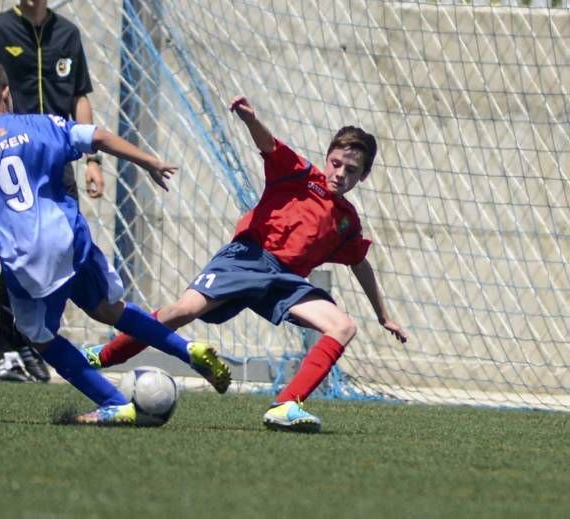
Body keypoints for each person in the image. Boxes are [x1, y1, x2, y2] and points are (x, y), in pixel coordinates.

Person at [0, 59, 231, 424]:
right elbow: (96, 136)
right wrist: (148, 160)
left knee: (39, 337)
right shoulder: (38, 125)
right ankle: (189, 351)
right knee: (110, 310)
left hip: (27, 261)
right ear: (6, 92)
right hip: (69, 239)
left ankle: (114, 401)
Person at [84, 95, 408, 432]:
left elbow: (360, 263)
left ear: (364, 176)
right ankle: (103, 356)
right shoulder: (300, 174)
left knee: (343, 326)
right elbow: (269, 145)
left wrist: (384, 316)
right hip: (247, 259)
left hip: (285, 282)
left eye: (351, 170)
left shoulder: (347, 221)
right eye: (336, 163)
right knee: (181, 312)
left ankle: (286, 405)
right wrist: (250, 119)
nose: (340, 174)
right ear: (327, 159)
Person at [0, 0, 106, 383]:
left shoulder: (68, 35)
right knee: (20, 252)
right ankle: (5, 346)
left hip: (57, 163)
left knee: (59, 250)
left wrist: (93, 160)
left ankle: (32, 339)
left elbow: (80, 98)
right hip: (14, 164)